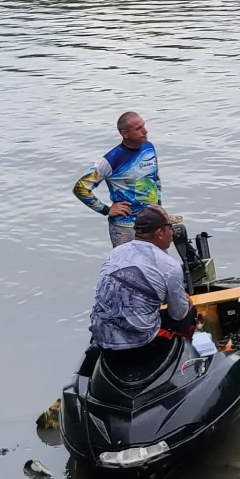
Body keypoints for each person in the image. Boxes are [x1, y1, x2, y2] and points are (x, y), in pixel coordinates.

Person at [85, 205, 197, 373]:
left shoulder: (115, 253)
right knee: (189, 310)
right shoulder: (170, 266)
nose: (172, 234)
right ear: (160, 233)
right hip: (139, 345)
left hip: (101, 336)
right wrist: (185, 301)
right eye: (170, 229)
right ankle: (186, 360)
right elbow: (178, 314)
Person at [73, 110, 165, 247]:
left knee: (157, 265)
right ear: (125, 134)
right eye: (138, 128)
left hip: (152, 223)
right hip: (125, 227)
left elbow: (154, 179)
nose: (145, 131)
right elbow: (81, 188)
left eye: (144, 126)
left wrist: (159, 209)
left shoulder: (148, 147)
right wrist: (106, 209)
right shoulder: (112, 159)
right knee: (128, 266)